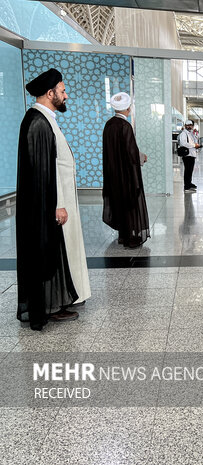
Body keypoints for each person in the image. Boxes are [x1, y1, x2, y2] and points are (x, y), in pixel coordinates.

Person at [16, 68, 91, 330]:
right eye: (62, 91)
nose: (66, 95)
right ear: (50, 94)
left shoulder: (45, 118)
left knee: (58, 252)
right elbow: (43, 171)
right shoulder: (38, 122)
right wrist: (57, 205)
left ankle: (58, 300)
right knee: (49, 254)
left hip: (56, 202)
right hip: (49, 206)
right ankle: (49, 306)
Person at [102, 92, 150, 248]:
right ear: (128, 109)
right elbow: (131, 152)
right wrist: (142, 157)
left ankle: (123, 235)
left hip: (113, 173)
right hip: (126, 175)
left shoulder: (109, 124)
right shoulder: (125, 126)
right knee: (130, 203)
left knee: (119, 203)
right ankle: (130, 237)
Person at [178, 120, 200, 192]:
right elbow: (183, 143)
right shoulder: (183, 134)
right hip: (187, 155)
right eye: (188, 125)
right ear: (185, 126)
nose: (189, 126)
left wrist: (196, 145)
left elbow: (194, 141)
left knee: (190, 170)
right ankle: (186, 186)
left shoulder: (190, 133)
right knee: (187, 170)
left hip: (192, 154)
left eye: (190, 125)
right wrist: (194, 145)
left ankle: (189, 183)